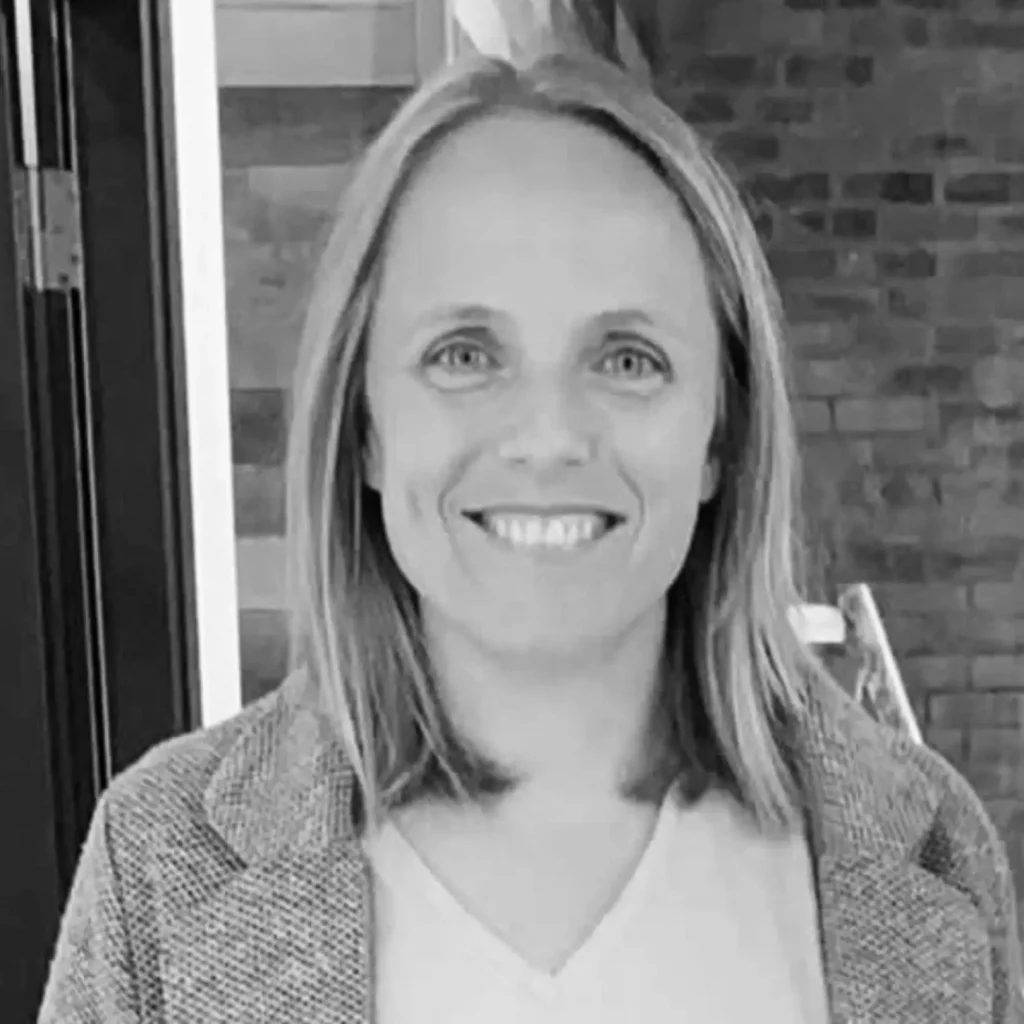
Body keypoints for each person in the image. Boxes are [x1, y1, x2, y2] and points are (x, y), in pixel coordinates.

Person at [37, 33, 1023, 1024]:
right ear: (364, 427)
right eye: (463, 353)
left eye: (627, 358)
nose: (547, 437)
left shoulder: (933, 857)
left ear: (721, 433)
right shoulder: (159, 867)